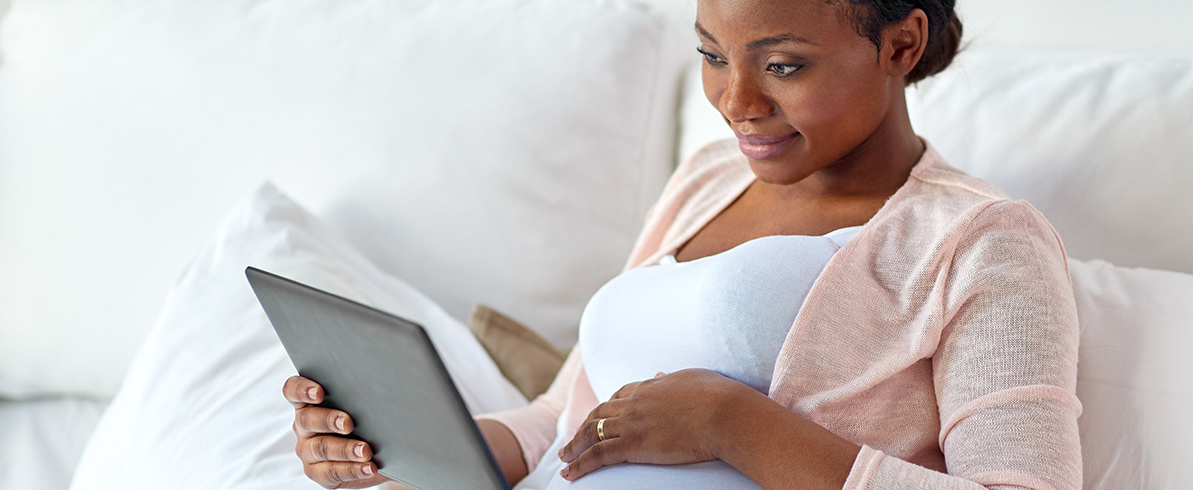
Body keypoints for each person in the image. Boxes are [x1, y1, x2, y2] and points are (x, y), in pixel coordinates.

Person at [281, 0, 1083, 488]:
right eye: (710, 54)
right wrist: (401, 454)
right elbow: (564, 420)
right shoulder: (706, 180)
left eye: (783, 64)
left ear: (901, 46)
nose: (736, 103)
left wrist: (735, 424)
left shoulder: (981, 241)